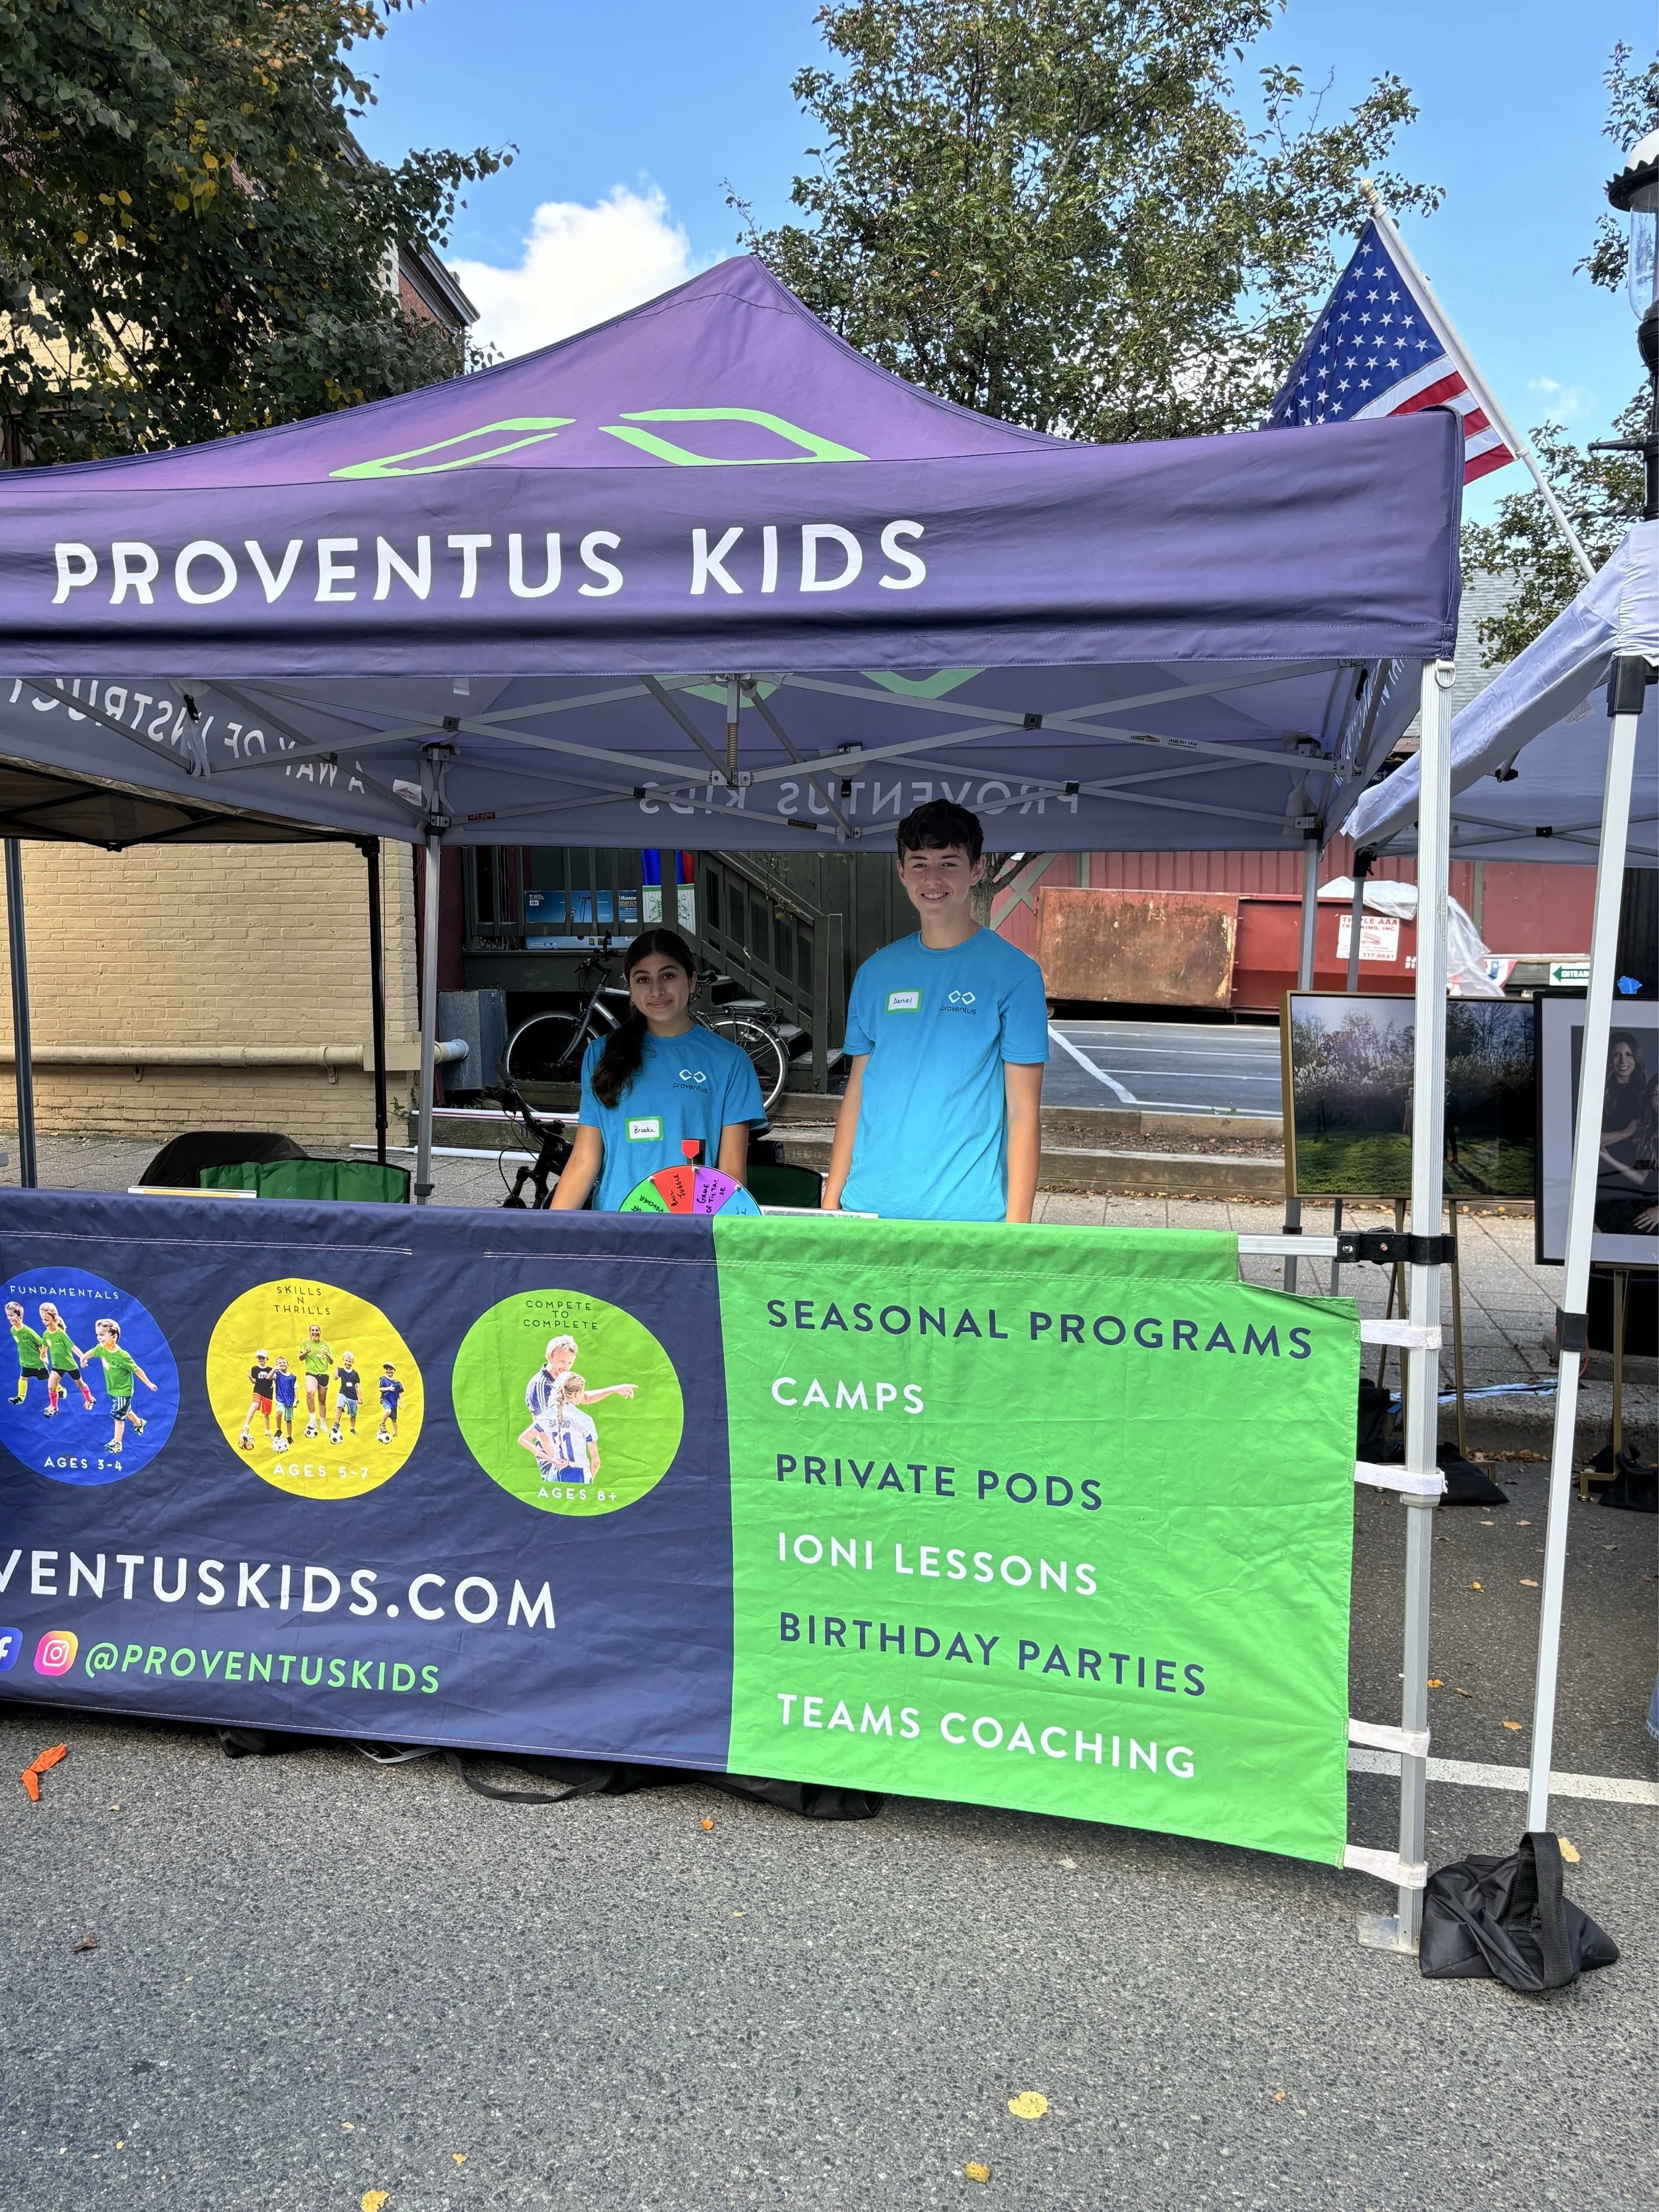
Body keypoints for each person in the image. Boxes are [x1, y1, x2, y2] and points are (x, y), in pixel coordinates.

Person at [824, 800, 1047, 1222]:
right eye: (920, 863)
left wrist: (1018, 1232)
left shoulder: (1015, 975)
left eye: (948, 863)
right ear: (901, 871)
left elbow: (1023, 1113)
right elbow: (858, 1091)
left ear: (977, 870)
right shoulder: (875, 973)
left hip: (968, 1218)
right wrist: (831, 1200)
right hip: (867, 1209)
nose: (933, 878)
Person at [551, 929, 766, 1213]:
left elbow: (731, 1175)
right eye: (643, 979)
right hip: (614, 1230)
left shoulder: (731, 1062)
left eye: (668, 976)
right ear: (630, 987)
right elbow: (584, 1158)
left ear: (691, 980)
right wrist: (551, 1234)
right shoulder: (600, 1055)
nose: (656, 991)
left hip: (690, 1234)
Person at [82, 1318, 155, 1453]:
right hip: (113, 1389)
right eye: (98, 1335)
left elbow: (137, 1370)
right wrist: (83, 1358)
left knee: (118, 1416)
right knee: (125, 1411)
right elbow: (92, 1352)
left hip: (123, 1391)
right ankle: (139, 1423)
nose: (99, 1338)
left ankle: (117, 1443)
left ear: (114, 1337)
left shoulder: (122, 1356)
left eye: (102, 1335)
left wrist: (148, 1383)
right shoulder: (101, 1349)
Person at [38, 1302, 96, 1415]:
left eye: (47, 1319)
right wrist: (42, 1357)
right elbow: (44, 1348)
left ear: (55, 1319)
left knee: (81, 1385)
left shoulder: (61, 1334)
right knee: (51, 1386)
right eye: (43, 1319)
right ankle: (54, 1407)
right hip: (57, 1366)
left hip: (70, 1365)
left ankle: (90, 1399)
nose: (45, 1322)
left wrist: (83, 1358)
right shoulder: (46, 1334)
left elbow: (73, 1347)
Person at [7, 1300, 47, 1407]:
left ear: (20, 1316)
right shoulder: (13, 1331)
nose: (10, 1318)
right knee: (23, 1378)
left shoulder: (29, 1332)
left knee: (49, 1378)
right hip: (25, 1362)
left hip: (37, 1362)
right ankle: (20, 1398)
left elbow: (43, 1343)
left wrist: (44, 1357)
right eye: (8, 1315)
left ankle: (61, 1390)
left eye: (12, 1315)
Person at [300, 1323, 332, 1438]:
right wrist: (306, 1352)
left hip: (324, 1374)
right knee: (310, 1392)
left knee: (322, 1400)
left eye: (317, 1330)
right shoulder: (305, 1343)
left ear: (320, 1332)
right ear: (310, 1333)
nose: (315, 1332)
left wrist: (328, 1354)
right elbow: (301, 1358)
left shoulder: (326, 1344)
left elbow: (331, 1361)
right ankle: (312, 1420)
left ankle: (323, 1422)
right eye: (313, 1330)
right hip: (311, 1373)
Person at [240, 1349, 276, 1449]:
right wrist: (250, 1378)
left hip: (268, 1393)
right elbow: (254, 1381)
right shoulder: (255, 1369)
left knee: (267, 1414)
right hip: (258, 1391)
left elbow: (273, 1379)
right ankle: (246, 1427)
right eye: (259, 1358)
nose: (261, 1359)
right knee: (255, 1405)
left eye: (263, 1358)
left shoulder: (270, 1369)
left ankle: (268, 1432)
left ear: (267, 1359)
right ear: (257, 1359)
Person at [330, 1351, 362, 1444]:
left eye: (350, 1361)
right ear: (343, 1360)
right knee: (339, 1406)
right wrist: (335, 1368)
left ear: (353, 1362)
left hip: (353, 1397)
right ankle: (336, 1424)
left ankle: (352, 1428)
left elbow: (358, 1386)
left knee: (353, 1414)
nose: (348, 1363)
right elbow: (335, 1377)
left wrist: (360, 1398)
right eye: (346, 1361)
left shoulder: (355, 1373)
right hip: (343, 1393)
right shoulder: (341, 1370)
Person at [271, 1355, 299, 1450]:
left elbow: (295, 1388)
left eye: (284, 1363)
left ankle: (289, 1436)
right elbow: (269, 1377)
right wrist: (274, 1369)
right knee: (279, 1413)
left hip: (290, 1400)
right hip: (280, 1398)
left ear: (287, 1365)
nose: (282, 1364)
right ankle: (279, 1429)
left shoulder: (293, 1377)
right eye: (280, 1363)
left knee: (288, 1419)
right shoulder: (277, 1374)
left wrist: (296, 1400)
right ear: (277, 1365)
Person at [376, 1361, 402, 1445]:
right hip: (385, 1399)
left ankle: (395, 1433)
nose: (389, 1371)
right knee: (388, 1410)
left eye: (391, 1369)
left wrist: (401, 1402)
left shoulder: (398, 1383)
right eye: (387, 1369)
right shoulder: (383, 1379)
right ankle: (382, 1424)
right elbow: (380, 1389)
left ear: (394, 1370)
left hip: (394, 1403)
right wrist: (388, 1388)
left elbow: (400, 1393)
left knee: (394, 1420)